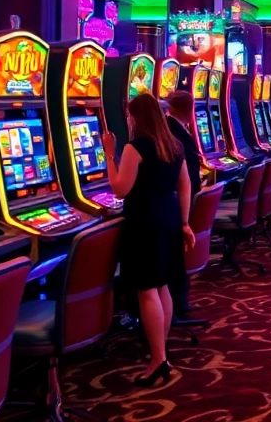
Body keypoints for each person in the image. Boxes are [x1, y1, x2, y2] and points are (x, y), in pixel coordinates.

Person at [102, 92, 196, 387]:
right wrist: (184, 222)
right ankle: (161, 351)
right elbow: (185, 185)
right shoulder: (173, 144)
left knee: (146, 289)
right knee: (162, 284)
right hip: (168, 216)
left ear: (137, 117)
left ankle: (158, 359)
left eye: (130, 115)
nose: (128, 119)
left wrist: (108, 153)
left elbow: (120, 189)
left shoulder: (136, 146)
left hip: (145, 219)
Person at [162, 91, 205, 321]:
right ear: (187, 109)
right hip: (178, 198)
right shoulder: (171, 129)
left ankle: (179, 299)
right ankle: (176, 301)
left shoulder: (174, 127)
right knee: (175, 251)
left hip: (182, 195)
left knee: (178, 252)